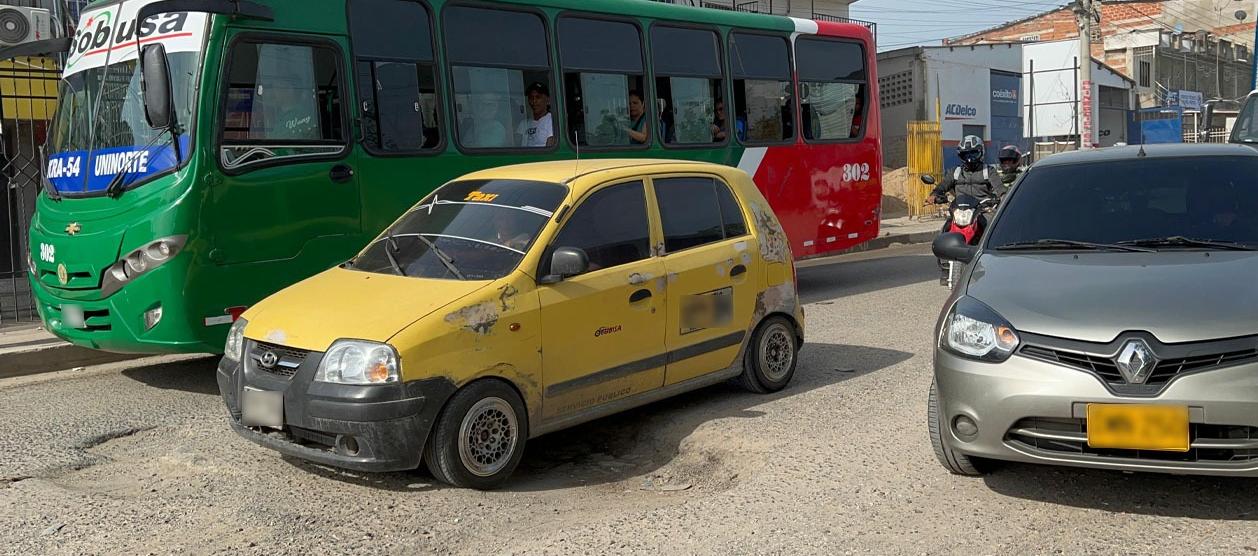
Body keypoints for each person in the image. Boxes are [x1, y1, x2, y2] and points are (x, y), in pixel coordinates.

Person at [928, 135, 1003, 205]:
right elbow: (944, 185)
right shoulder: (955, 172)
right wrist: (934, 194)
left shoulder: (988, 171)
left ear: (981, 152)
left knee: (993, 218)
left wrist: (1003, 196)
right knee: (949, 219)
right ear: (960, 156)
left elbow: (999, 187)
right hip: (960, 210)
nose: (969, 159)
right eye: (965, 155)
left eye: (973, 154)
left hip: (983, 210)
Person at [518, 82, 555, 148]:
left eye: (538, 97)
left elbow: (550, 150)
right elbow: (516, 147)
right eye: (531, 97)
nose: (534, 101)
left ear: (548, 100)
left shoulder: (551, 120)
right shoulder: (523, 123)